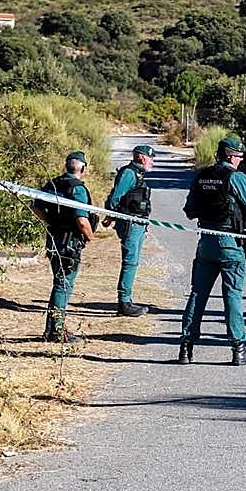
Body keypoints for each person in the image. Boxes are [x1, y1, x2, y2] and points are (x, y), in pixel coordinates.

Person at [178, 136, 246, 366]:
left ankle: (186, 348)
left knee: (197, 294)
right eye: (238, 157)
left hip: (206, 241)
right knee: (232, 295)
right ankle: (239, 349)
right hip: (231, 243)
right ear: (229, 155)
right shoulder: (236, 178)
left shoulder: (202, 176)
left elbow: (189, 211)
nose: (240, 161)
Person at [29, 151, 97, 344]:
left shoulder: (53, 184)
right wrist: (91, 238)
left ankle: (51, 329)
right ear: (82, 168)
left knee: (59, 283)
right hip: (69, 243)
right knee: (63, 285)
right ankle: (56, 331)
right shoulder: (77, 189)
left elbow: (35, 207)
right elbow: (82, 221)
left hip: (54, 239)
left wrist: (50, 221)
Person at [104, 143, 156, 318]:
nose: (153, 162)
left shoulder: (137, 174)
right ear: (142, 157)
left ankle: (127, 299)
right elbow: (115, 198)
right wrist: (112, 215)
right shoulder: (129, 174)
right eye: (151, 158)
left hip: (137, 224)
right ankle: (124, 302)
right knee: (130, 262)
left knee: (133, 262)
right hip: (130, 225)